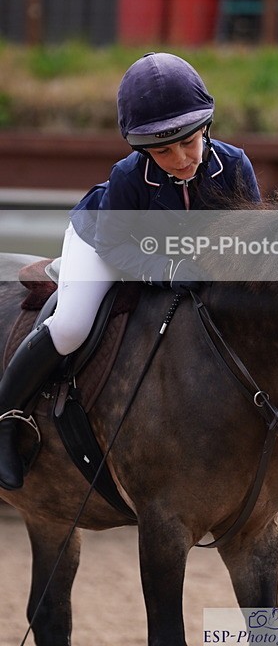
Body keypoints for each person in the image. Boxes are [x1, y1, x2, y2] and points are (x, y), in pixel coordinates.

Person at [0, 52, 260, 491]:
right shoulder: (127, 178)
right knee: (69, 326)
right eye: (163, 151)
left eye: (189, 143)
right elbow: (116, 246)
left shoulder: (233, 167)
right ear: (142, 150)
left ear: (206, 130)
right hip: (104, 241)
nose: (180, 159)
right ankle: (6, 419)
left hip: (174, 250)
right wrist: (168, 268)